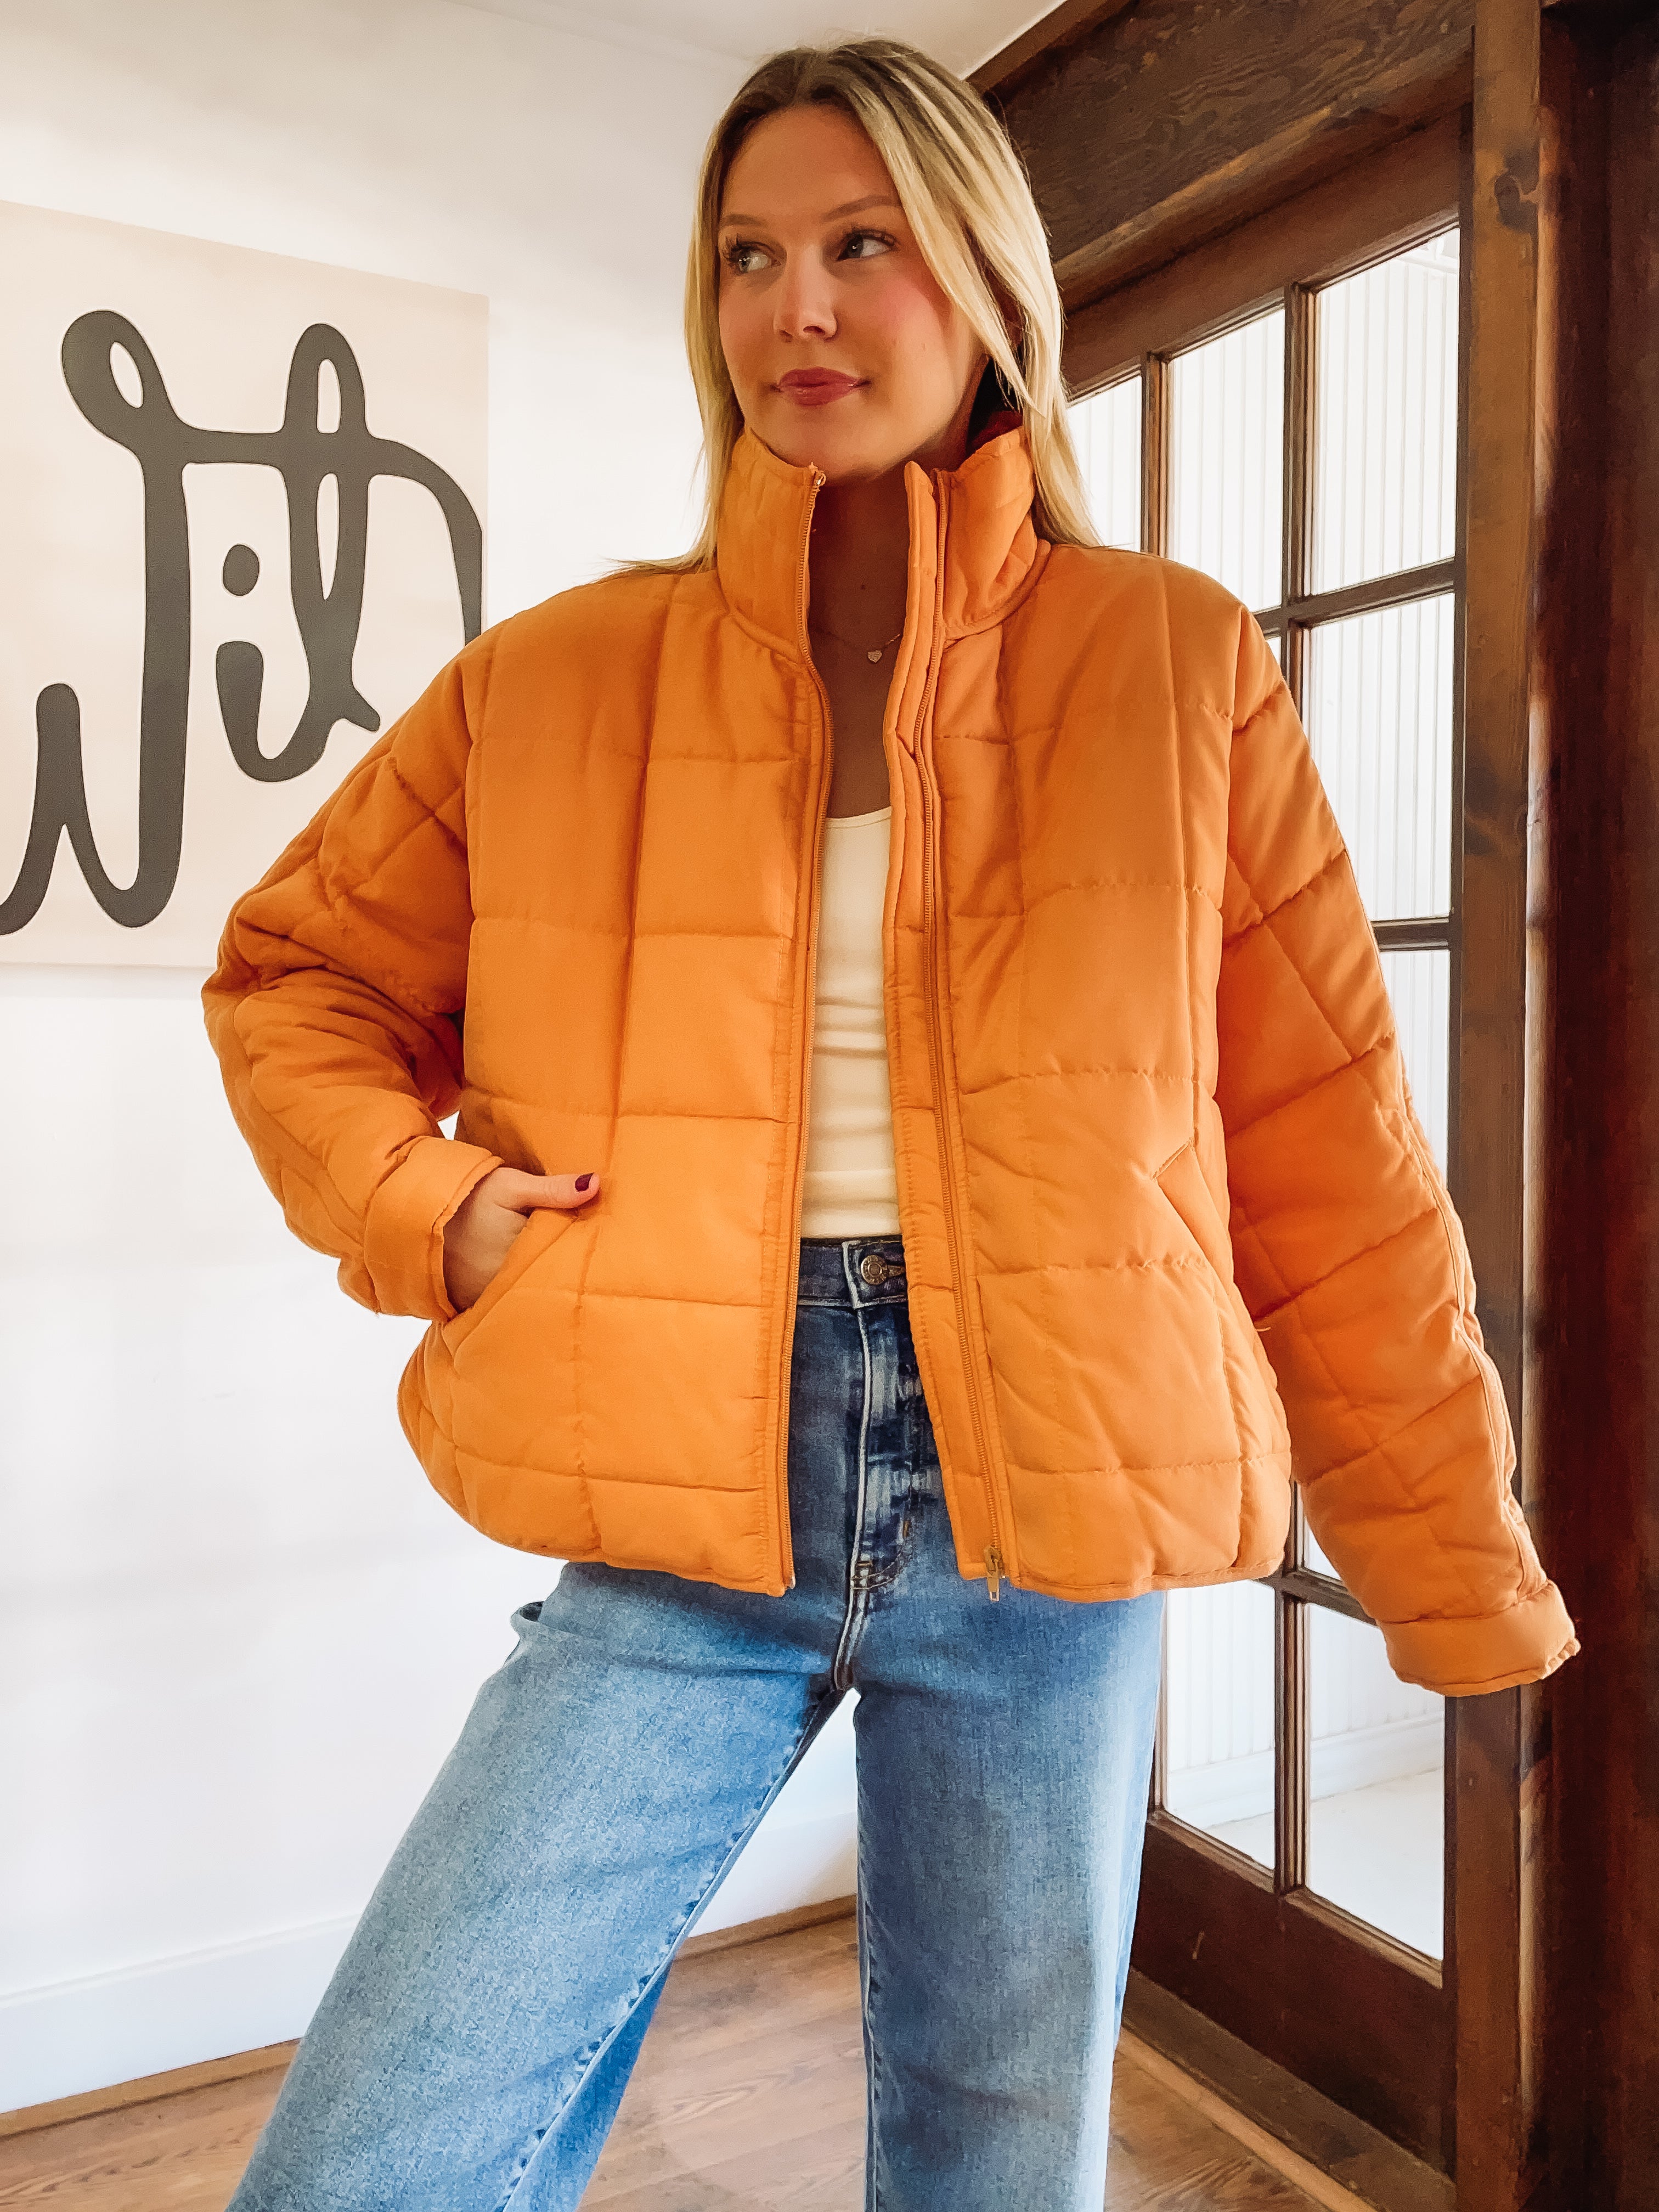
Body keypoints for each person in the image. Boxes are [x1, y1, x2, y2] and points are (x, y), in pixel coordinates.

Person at [202, 36, 1578, 2212]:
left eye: (862, 244)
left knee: (991, 2167)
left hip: (1049, 1531)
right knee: (378, 2149)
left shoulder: (1180, 668)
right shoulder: (555, 680)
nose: (798, 307)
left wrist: (1454, 1576)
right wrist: (437, 1216)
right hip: (683, 1504)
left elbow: (1336, 1167)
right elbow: (295, 976)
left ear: (989, 285)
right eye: (750, 254)